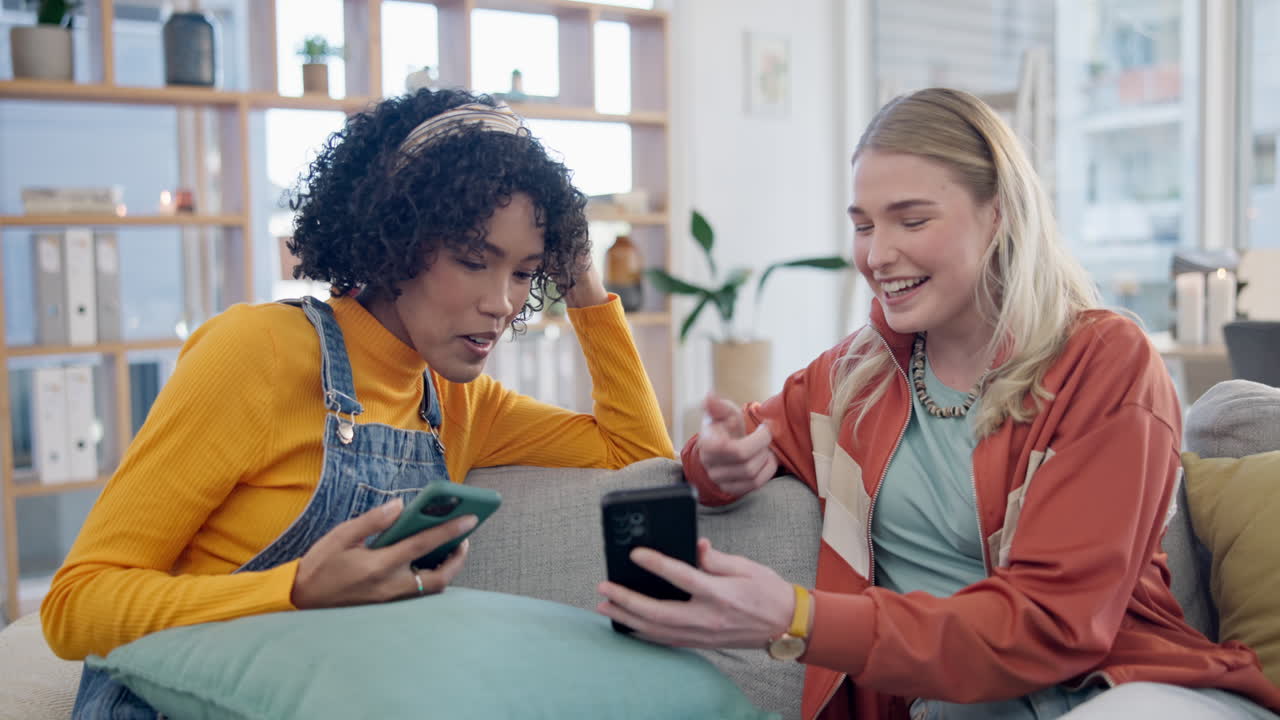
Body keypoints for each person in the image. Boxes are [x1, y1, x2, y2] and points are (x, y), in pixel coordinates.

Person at [596, 88, 1280, 720]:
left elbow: (1053, 624)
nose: (878, 253)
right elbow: (721, 453)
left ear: (999, 213)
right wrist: (720, 464)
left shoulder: (1104, 362)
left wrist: (797, 617)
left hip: (1132, 696)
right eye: (863, 225)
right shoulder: (854, 378)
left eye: (911, 219)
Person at [43, 88, 675, 717]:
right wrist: (296, 590)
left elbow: (640, 456)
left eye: (524, 272)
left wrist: (585, 281)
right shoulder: (256, 352)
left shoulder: (459, 402)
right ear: (393, 240)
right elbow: (76, 604)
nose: (503, 303)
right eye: (472, 260)